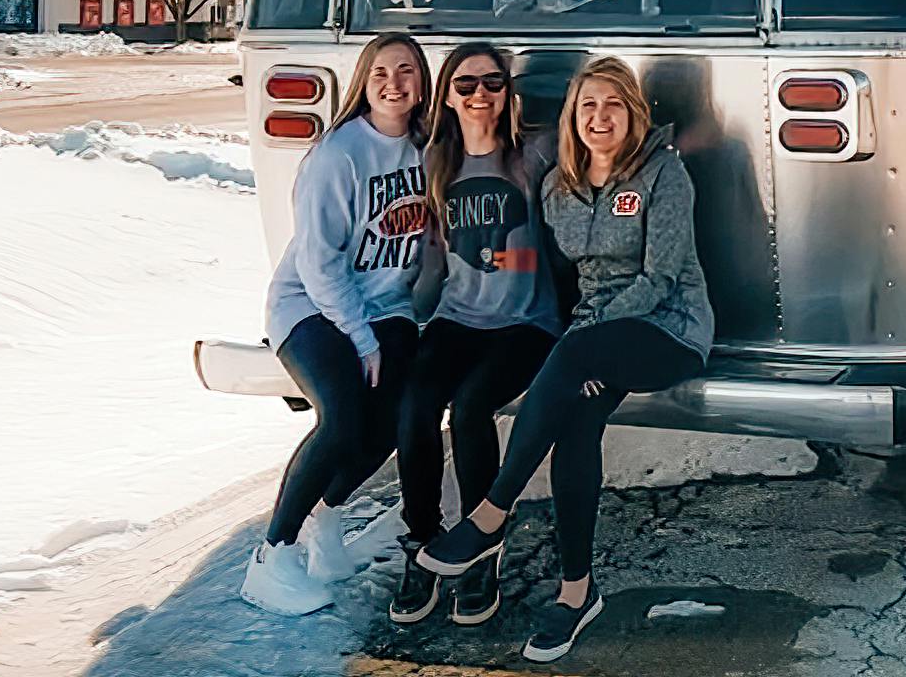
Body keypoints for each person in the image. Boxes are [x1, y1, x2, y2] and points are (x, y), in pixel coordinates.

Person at [415, 56, 712, 664]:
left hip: (669, 329)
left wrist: (583, 335)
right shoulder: (557, 189)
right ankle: (578, 593)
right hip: (593, 340)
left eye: (612, 105)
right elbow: (556, 271)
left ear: (634, 113)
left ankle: (491, 513)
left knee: (573, 357)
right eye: (587, 107)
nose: (599, 118)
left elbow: (660, 278)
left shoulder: (664, 174)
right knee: (577, 426)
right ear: (572, 120)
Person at [239, 34, 432, 617]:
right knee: (343, 417)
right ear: (363, 83)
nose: (393, 82)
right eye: (379, 72)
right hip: (311, 307)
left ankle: (329, 529)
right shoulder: (338, 155)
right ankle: (273, 557)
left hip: (388, 308)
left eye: (405, 70)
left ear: (422, 81)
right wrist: (361, 338)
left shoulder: (430, 149)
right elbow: (319, 263)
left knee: (397, 424)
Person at [389, 42, 560, 626]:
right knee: (413, 408)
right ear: (448, 98)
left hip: (525, 324)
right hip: (457, 319)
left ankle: (480, 546)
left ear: (507, 92)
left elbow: (536, 256)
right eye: (465, 86)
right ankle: (422, 540)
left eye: (492, 83)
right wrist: (405, 319)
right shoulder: (438, 161)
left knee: (470, 411)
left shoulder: (535, 154)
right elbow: (437, 263)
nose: (479, 95)